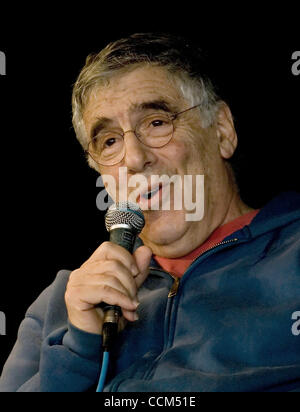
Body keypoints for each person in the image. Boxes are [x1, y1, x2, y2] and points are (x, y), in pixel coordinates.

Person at [0, 33, 299, 392]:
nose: (135, 158)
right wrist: (80, 347)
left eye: (156, 123)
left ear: (222, 130)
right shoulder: (60, 306)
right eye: (109, 142)